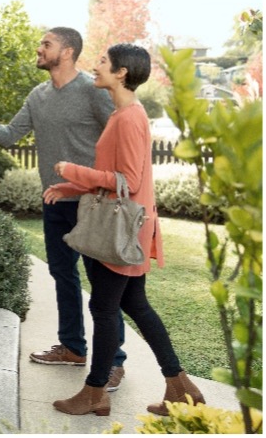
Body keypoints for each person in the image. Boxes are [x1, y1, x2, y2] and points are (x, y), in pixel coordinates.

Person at [0, 27, 129, 389]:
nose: (39, 49)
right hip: (55, 201)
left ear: (66, 52)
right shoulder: (38, 95)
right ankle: (72, 347)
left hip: (93, 202)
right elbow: (9, 134)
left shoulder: (92, 90)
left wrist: (102, 181)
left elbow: (118, 135)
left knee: (103, 285)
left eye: (46, 44)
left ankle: (114, 360)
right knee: (63, 277)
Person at [44, 43, 204, 416]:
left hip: (125, 229)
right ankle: (181, 388)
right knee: (135, 304)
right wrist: (71, 187)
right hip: (132, 224)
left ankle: (95, 391)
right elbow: (119, 178)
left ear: (121, 72)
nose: (95, 67)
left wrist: (72, 171)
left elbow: (128, 180)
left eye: (102, 62)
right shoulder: (125, 114)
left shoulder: (129, 117)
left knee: (103, 306)